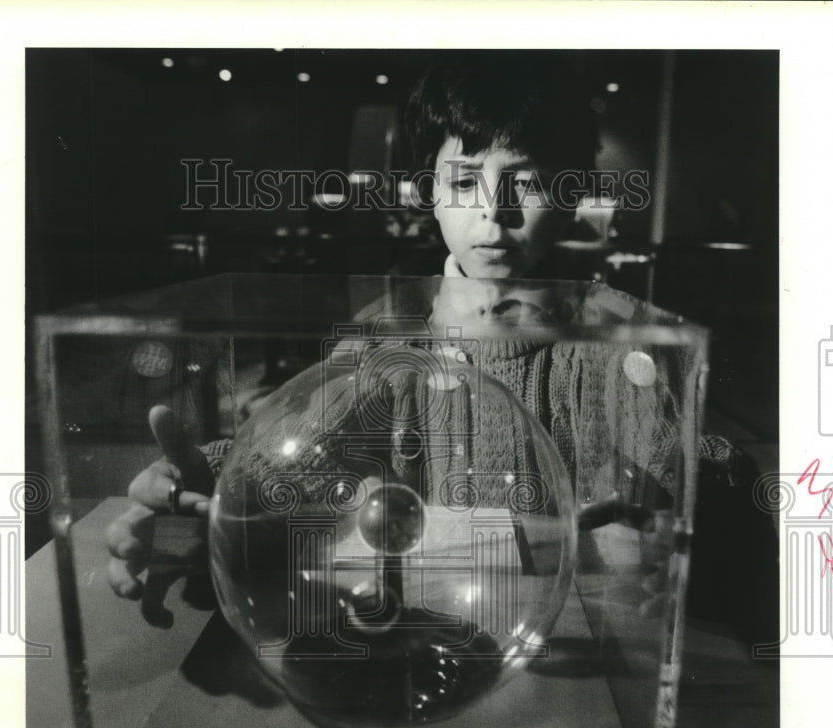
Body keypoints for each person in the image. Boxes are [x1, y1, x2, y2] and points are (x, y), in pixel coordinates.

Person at [105, 53, 778, 647]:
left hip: (587, 653)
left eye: (528, 180)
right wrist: (220, 491)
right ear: (429, 191)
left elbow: (696, 475)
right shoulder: (388, 332)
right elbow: (309, 446)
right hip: (420, 640)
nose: (493, 215)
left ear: (571, 194)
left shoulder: (623, 337)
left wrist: (703, 524)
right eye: (463, 183)